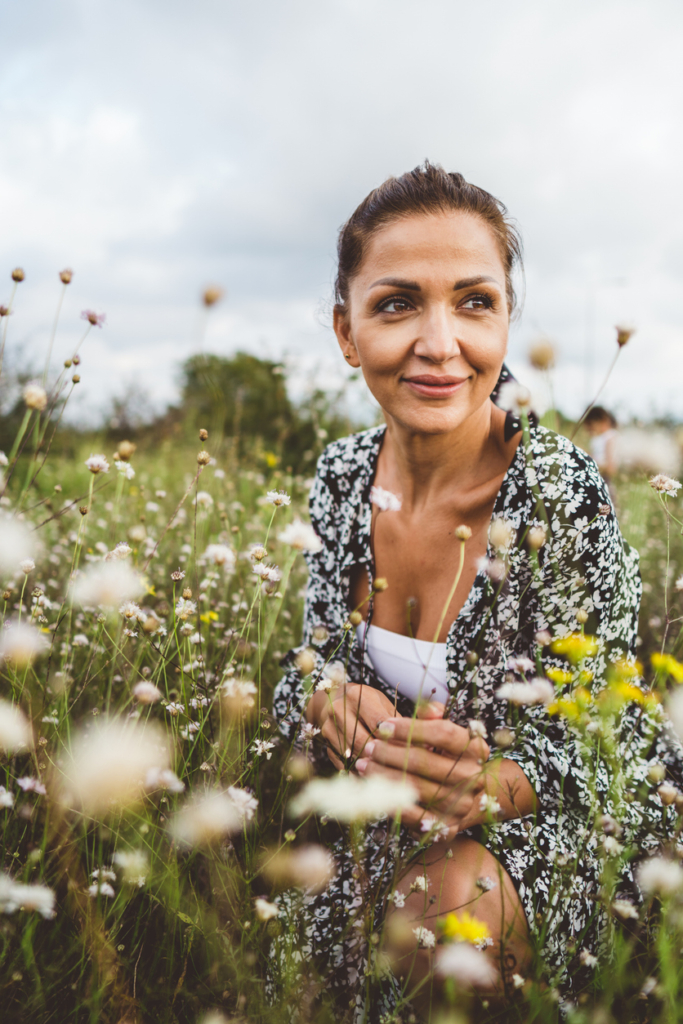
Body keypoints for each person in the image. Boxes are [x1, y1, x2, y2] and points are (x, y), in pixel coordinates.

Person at [272, 163, 678, 1022]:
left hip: (556, 825)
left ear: (504, 321)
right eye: (395, 304)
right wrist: (324, 698)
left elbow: (619, 732)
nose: (438, 342)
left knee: (440, 922)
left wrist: (492, 784)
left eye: (472, 301)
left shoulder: (557, 491)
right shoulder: (341, 476)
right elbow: (309, 656)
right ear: (346, 332)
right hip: (382, 820)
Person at [584, 405, 619, 489]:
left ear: (603, 421)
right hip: (596, 481)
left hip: (605, 483)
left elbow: (611, 469)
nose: (589, 429)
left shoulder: (610, 437)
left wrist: (588, 458)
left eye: (591, 425)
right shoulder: (597, 438)